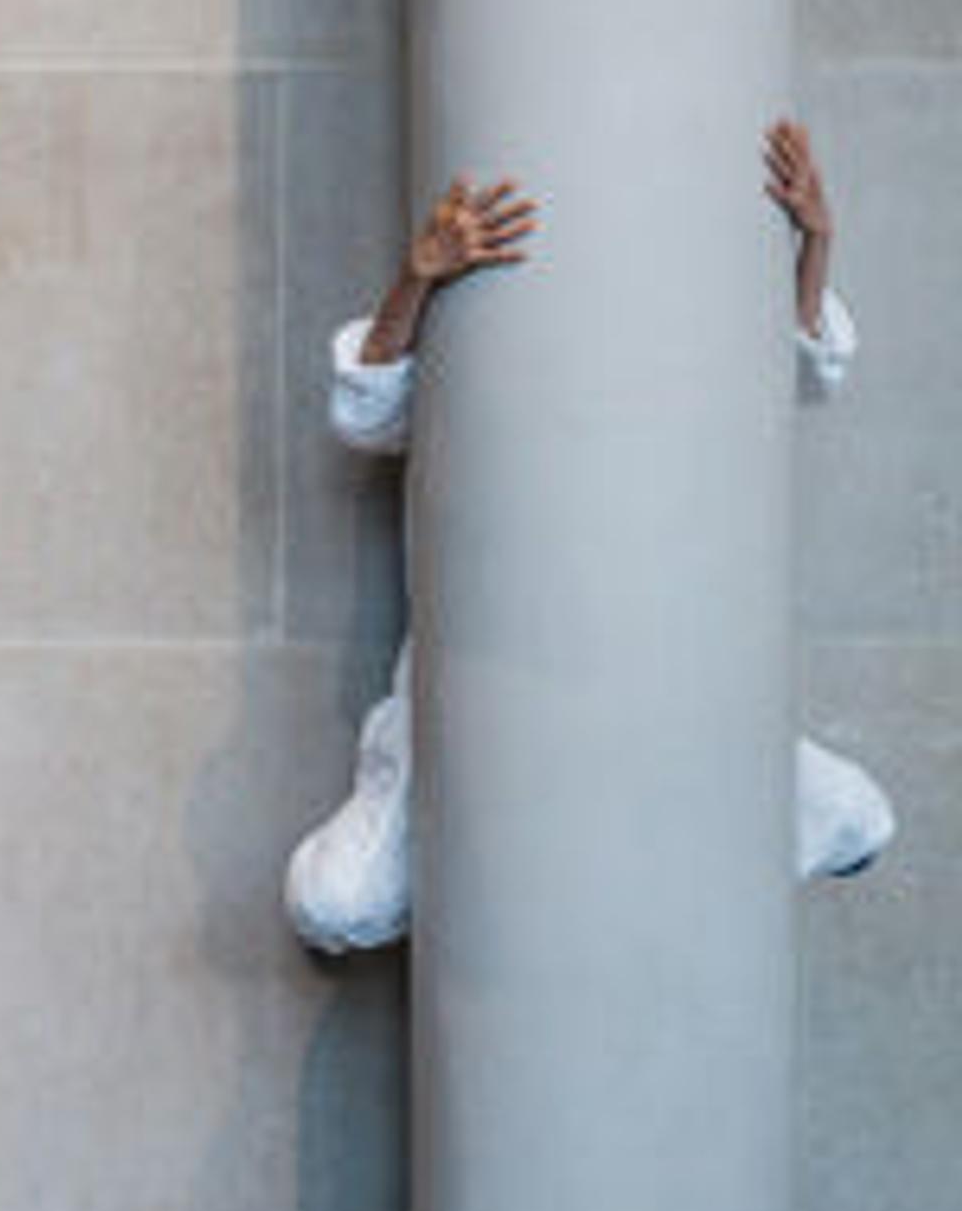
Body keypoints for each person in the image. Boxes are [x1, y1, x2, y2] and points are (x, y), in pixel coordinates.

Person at [285, 120, 893, 954]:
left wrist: (814, 244)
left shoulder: (681, 359)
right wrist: (419, 279)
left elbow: (798, 371)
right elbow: (367, 410)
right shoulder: (488, 365)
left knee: (859, 819)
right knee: (335, 903)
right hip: (485, 688)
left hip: (668, 681)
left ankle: (653, 838)